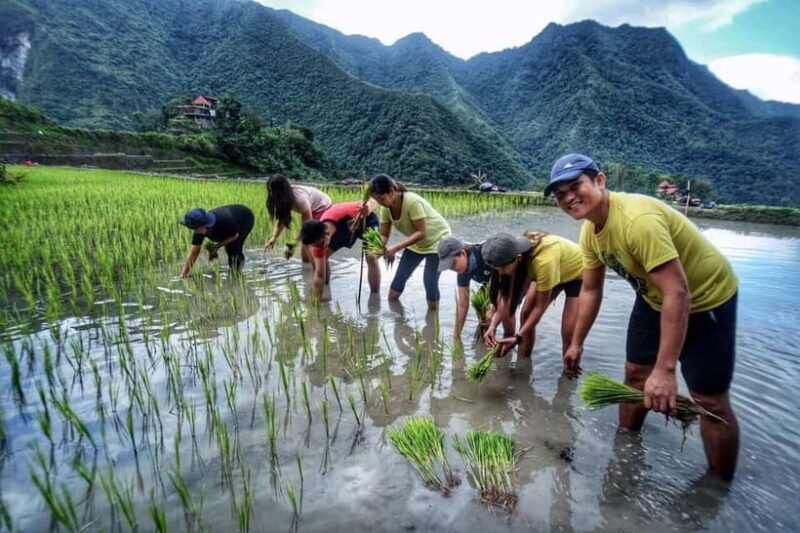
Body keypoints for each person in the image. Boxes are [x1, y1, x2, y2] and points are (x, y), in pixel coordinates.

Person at [546, 153, 739, 480]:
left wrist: (665, 370)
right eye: (561, 193)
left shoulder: (637, 221)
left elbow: (678, 292)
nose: (569, 197)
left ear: (600, 181)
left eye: (575, 185)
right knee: (635, 374)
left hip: (706, 299)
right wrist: (576, 343)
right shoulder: (590, 233)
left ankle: (716, 488)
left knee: (710, 402)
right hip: (653, 296)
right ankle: (626, 449)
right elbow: (591, 291)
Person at [481, 231, 583, 359]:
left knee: (569, 333)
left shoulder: (542, 262)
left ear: (518, 258)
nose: (501, 273)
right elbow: (506, 298)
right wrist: (493, 326)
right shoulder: (508, 255)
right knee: (526, 314)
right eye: (497, 269)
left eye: (503, 269)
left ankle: (569, 372)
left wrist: (517, 337)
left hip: (578, 272)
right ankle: (523, 362)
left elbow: (540, 307)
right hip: (553, 270)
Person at [369, 174, 451, 311]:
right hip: (417, 243)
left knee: (430, 281)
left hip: (438, 240)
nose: (381, 203)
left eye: (382, 198)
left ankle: (433, 321)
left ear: (392, 191)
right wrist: (375, 250)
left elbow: (422, 232)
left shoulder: (412, 202)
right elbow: (384, 234)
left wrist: (396, 248)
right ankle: (394, 316)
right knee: (399, 278)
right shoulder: (385, 209)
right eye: (377, 200)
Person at [299, 201, 381, 299]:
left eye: (320, 244)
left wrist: (367, 209)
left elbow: (373, 201)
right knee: (323, 258)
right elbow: (319, 275)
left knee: (371, 258)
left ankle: (375, 297)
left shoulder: (343, 213)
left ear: (326, 233)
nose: (319, 248)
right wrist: (317, 302)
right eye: (315, 246)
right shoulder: (318, 243)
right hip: (344, 232)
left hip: (367, 222)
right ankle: (327, 287)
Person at [437, 236, 507, 340]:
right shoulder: (462, 271)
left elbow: (504, 290)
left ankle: (508, 337)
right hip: (491, 282)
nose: (453, 269)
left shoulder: (486, 256)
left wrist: (493, 311)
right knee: (480, 304)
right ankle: (487, 335)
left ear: (463, 253)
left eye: (453, 263)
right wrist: (456, 336)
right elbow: (462, 305)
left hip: (509, 276)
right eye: (450, 267)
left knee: (506, 310)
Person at [263, 175, 332, 261]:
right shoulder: (283, 198)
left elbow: (307, 227)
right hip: (310, 207)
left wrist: (292, 244)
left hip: (322, 206)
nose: (272, 194)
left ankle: (315, 267)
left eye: (275, 191)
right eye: (270, 191)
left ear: (282, 190)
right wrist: (274, 238)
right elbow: (282, 220)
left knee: (309, 239)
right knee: (306, 242)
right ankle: (307, 267)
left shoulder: (299, 199)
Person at [179, 205, 255, 277]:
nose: (194, 231)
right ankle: (234, 273)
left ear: (205, 225)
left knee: (233, 248)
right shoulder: (199, 229)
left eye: (195, 228)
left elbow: (234, 236)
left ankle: (236, 274)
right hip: (225, 225)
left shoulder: (225, 220)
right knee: (228, 246)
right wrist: (183, 274)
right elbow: (194, 252)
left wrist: (216, 247)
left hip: (245, 219)